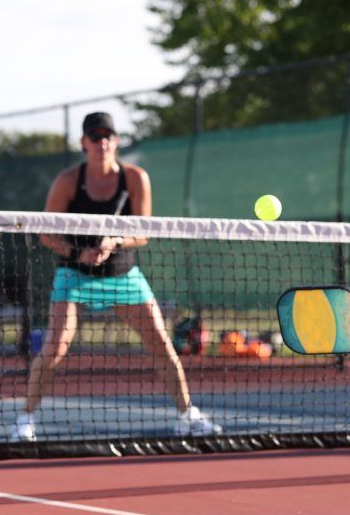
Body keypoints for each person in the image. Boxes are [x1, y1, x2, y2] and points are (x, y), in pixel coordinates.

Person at [12, 112, 221, 441]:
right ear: (84, 143)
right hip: (74, 275)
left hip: (124, 275)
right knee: (54, 347)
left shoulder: (135, 178)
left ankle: (187, 415)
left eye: (108, 135)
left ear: (117, 141)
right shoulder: (68, 182)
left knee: (162, 345)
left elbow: (143, 233)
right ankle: (25, 421)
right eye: (95, 137)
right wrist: (76, 253)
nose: (102, 142)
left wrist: (115, 241)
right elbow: (45, 233)